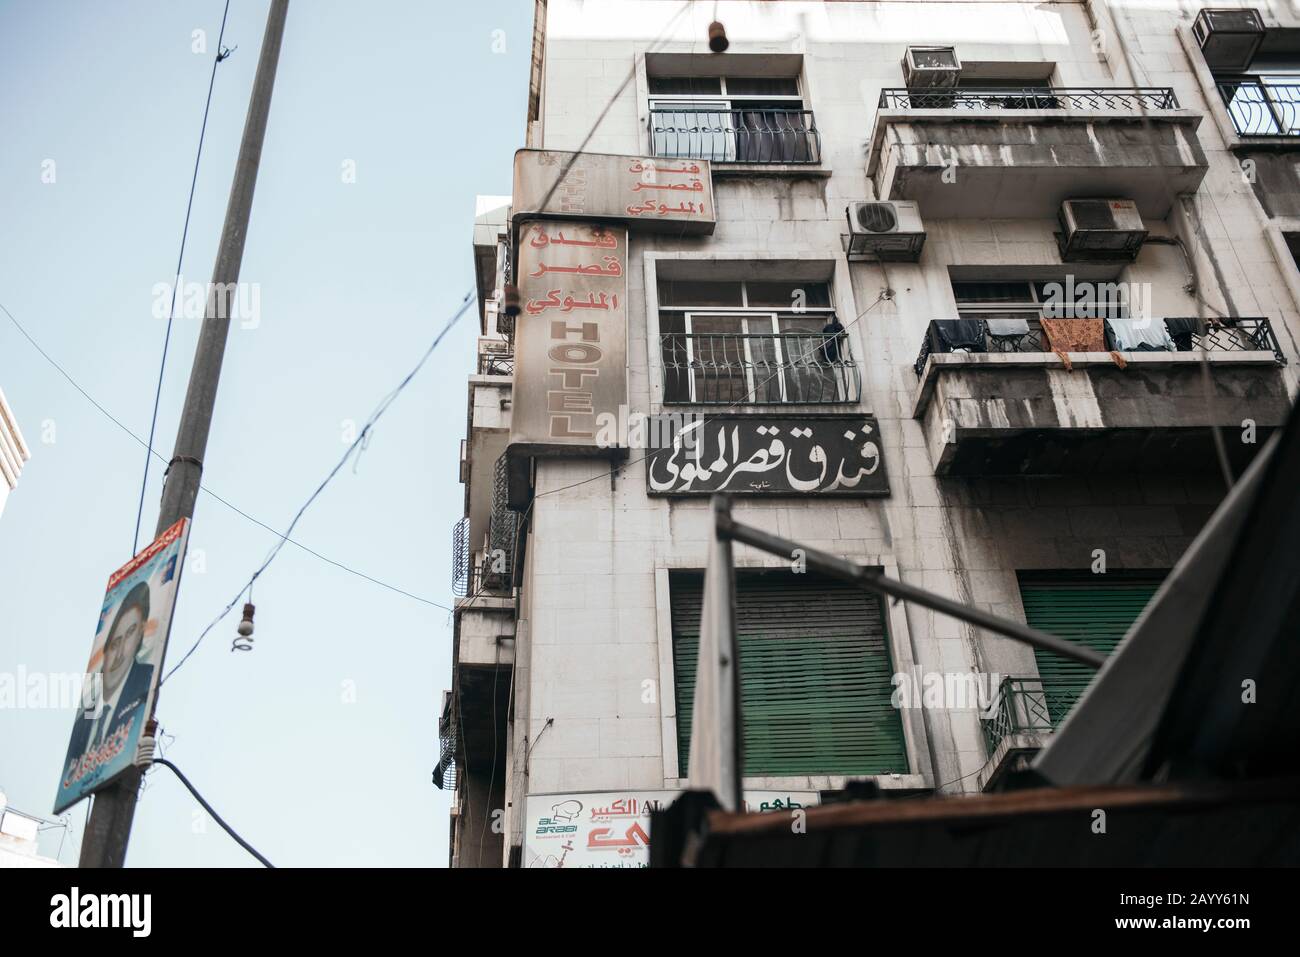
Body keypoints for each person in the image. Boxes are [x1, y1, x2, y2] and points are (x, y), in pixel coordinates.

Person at [63, 581, 156, 768]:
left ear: (140, 635)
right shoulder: (83, 723)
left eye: (130, 634)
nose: (120, 653)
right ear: (104, 654)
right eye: (114, 644)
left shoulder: (146, 683)